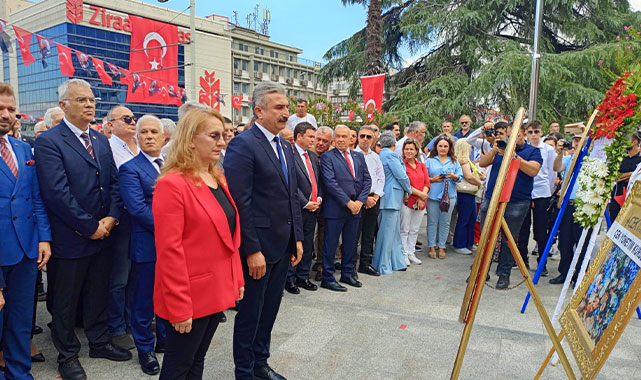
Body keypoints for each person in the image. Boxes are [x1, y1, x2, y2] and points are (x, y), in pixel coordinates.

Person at [34, 79, 131, 380]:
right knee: (65, 300)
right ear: (63, 105)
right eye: (81, 100)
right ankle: (67, 355)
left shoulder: (101, 140)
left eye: (91, 99)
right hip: (71, 238)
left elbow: (114, 184)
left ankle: (99, 342)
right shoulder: (49, 141)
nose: (89, 104)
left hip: (104, 234)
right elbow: (56, 193)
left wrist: (111, 219)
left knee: (97, 292)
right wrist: (90, 227)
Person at [152, 107, 244, 379]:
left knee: (197, 360)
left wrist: (236, 278)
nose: (221, 142)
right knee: (179, 366)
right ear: (191, 138)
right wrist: (180, 307)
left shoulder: (217, 177)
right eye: (214, 136)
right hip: (189, 294)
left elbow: (229, 238)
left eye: (224, 136)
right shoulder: (173, 184)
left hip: (215, 289)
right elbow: (169, 251)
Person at [225, 81, 303, 380]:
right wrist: (251, 249)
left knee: (269, 310)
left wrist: (297, 237)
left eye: (287, 107)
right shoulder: (243, 145)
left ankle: (260, 362)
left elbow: (291, 193)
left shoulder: (284, 144)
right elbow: (240, 203)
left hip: (283, 244)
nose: (286, 112)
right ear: (258, 111)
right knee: (251, 313)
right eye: (279, 107)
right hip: (258, 247)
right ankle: (244, 371)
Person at [0, 82, 52, 380]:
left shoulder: (22, 147)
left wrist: (44, 237)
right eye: (0, 109)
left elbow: (36, 197)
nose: (6, 114)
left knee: (20, 319)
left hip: (26, 251)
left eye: (10, 108)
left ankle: (20, 373)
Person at [118, 115, 168, 375]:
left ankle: (164, 340)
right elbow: (137, 209)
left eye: (153, 132)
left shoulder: (171, 166)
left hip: (172, 246)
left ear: (164, 137)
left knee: (167, 294)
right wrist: (172, 229)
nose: (149, 136)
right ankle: (145, 348)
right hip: (148, 244)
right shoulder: (130, 168)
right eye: (144, 132)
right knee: (144, 299)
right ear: (136, 137)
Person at [479, 121, 542, 289]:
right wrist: (494, 150)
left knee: (509, 239)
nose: (513, 138)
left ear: (523, 135)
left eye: (517, 135)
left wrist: (514, 156)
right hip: (492, 198)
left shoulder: (533, 151)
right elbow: (482, 163)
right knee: (486, 235)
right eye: (510, 135)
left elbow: (533, 170)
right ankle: (481, 271)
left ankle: (504, 273)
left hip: (517, 201)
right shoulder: (501, 147)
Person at [104, 105, 139, 350]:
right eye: (126, 119)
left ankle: (132, 321)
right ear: (111, 124)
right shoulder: (107, 148)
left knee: (138, 277)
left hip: (143, 222)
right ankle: (116, 327)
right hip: (122, 220)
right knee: (119, 278)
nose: (132, 122)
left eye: (133, 118)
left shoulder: (140, 145)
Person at [319, 125, 371, 291]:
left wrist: (360, 202)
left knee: (350, 243)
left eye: (344, 136)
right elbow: (330, 182)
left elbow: (367, 180)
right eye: (338, 136)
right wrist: (348, 202)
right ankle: (327, 277)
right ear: (334, 139)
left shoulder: (358, 156)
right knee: (331, 244)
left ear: (351, 139)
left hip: (356, 209)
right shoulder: (328, 157)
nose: (341, 139)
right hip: (336, 208)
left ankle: (348, 273)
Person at [285, 122, 322, 294]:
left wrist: (319, 198)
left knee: (308, 244)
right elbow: (291, 184)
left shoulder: (313, 157)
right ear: (299, 136)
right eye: (310, 137)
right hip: (298, 208)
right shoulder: (290, 156)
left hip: (314, 208)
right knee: (295, 243)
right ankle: (290, 278)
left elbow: (317, 181)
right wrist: (305, 202)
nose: (313, 141)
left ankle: (303, 276)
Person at [516, 121, 557, 274]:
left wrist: (549, 190)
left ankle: (542, 262)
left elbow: (552, 173)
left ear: (541, 132)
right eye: (530, 132)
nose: (533, 135)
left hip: (542, 193)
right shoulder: (522, 148)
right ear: (526, 133)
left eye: (536, 132)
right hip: (525, 192)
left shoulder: (548, 149)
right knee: (523, 228)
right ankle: (522, 259)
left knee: (541, 230)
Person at [372, 131, 412, 274]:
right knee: (387, 233)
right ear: (395, 144)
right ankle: (382, 264)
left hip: (389, 197)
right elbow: (402, 176)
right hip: (390, 198)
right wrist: (410, 190)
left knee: (392, 232)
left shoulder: (381, 155)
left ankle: (395, 261)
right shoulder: (390, 155)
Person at [354, 125, 384, 276]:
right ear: (358, 137)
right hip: (358, 200)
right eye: (362, 136)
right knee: (354, 234)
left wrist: (375, 197)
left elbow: (381, 178)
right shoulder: (352, 155)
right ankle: (351, 265)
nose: (365, 139)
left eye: (369, 137)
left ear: (373, 139)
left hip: (374, 199)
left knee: (369, 233)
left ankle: (365, 264)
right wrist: (364, 198)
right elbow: (351, 180)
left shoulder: (375, 157)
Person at [425, 136, 462, 259]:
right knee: (432, 222)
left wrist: (453, 176)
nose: (443, 148)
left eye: (445, 146)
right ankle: (431, 246)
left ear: (449, 148)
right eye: (440, 146)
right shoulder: (429, 160)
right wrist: (433, 179)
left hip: (449, 196)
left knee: (445, 222)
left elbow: (460, 177)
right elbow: (424, 178)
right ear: (436, 147)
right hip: (433, 196)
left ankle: (441, 246)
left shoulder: (454, 161)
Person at [400, 138, 430, 265]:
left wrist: (422, 197)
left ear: (416, 151)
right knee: (404, 229)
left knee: (414, 229)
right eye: (406, 149)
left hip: (421, 202)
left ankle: (411, 252)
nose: (409, 151)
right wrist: (421, 195)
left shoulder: (421, 165)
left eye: (411, 149)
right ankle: (404, 254)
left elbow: (427, 182)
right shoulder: (401, 165)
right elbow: (406, 184)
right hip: (407, 200)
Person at [452, 138, 483, 254]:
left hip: (469, 193)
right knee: (465, 218)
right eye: (470, 145)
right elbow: (468, 176)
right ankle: (460, 244)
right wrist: (479, 183)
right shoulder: (463, 160)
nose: (471, 148)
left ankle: (468, 242)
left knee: (471, 218)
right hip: (465, 193)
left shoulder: (467, 160)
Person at [311, 126, 333, 281]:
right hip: (308, 202)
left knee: (323, 235)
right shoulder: (305, 154)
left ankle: (320, 265)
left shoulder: (331, 157)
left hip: (327, 202)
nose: (320, 143)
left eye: (324, 141)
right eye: (318, 139)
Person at [609, 132, 641, 221]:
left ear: (635, 142)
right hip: (616, 196)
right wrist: (633, 173)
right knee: (612, 224)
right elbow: (615, 177)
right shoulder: (620, 157)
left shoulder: (640, 159)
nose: (625, 143)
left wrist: (624, 176)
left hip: (633, 200)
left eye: (628, 140)